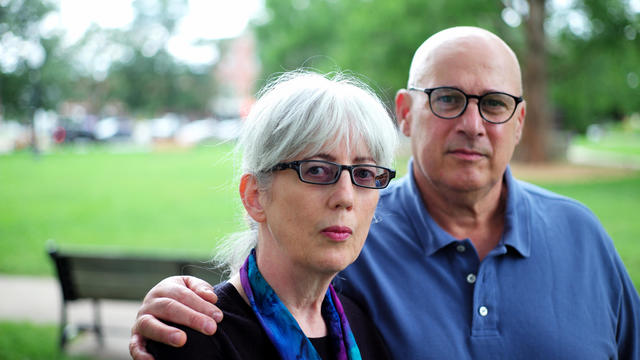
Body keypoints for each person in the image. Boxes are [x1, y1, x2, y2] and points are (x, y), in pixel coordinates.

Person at [130, 27, 640, 359]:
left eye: (495, 104)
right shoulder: (355, 244)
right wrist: (171, 310)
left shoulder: (584, 237)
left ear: (520, 120)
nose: (471, 124)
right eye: (447, 99)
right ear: (405, 111)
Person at [144, 70, 396, 359]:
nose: (345, 197)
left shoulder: (361, 325)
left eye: (364, 173)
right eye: (317, 170)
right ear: (255, 196)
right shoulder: (193, 337)